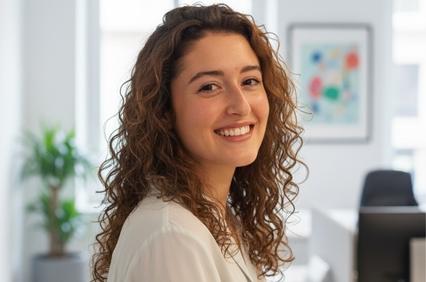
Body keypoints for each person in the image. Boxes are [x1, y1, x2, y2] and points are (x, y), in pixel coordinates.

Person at [92, 3, 305, 282]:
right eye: (209, 87)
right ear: (164, 111)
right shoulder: (172, 237)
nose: (240, 106)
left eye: (250, 81)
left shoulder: (216, 215)